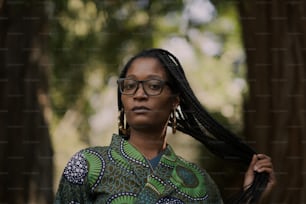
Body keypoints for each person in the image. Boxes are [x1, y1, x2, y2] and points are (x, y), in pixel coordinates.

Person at [55, 48, 275, 203]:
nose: (139, 94)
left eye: (153, 85)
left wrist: (251, 196)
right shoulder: (86, 165)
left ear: (175, 99)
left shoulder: (199, 182)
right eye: (130, 85)